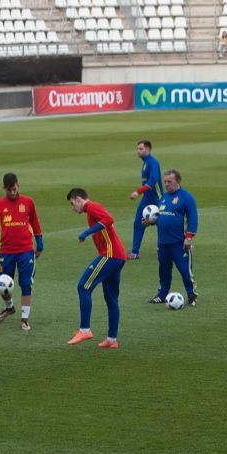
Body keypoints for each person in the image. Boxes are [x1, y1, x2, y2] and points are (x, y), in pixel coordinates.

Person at [66, 188, 126, 348]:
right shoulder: (90, 211)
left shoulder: (92, 206)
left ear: (78, 199)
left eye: (73, 204)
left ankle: (85, 330)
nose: (73, 208)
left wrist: (86, 233)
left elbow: (109, 219)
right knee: (111, 298)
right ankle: (112, 339)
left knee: (83, 287)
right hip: (117, 256)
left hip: (110, 255)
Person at [0, 173, 43, 331]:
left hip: (26, 250)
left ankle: (25, 318)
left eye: (15, 189)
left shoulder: (28, 202)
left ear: (18, 185)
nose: (12, 192)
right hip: (6, 251)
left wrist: (40, 244)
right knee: (1, 284)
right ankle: (9, 307)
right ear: (4, 188)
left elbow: (36, 224)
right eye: (9, 190)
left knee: (26, 283)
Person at [144, 169, 198, 307]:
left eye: (170, 182)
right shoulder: (163, 197)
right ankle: (162, 295)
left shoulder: (187, 197)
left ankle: (192, 296)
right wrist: (149, 221)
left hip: (179, 243)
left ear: (178, 181)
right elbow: (160, 216)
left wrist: (189, 237)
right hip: (162, 243)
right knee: (163, 270)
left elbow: (192, 218)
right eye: (165, 182)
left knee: (185, 271)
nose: (167, 184)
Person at [128, 139, 162, 259]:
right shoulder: (145, 162)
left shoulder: (152, 162)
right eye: (137, 149)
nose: (138, 151)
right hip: (147, 199)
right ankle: (134, 252)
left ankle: (168, 248)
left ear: (148, 149)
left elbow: (153, 180)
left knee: (164, 224)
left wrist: (138, 192)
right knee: (138, 223)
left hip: (158, 199)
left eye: (140, 149)